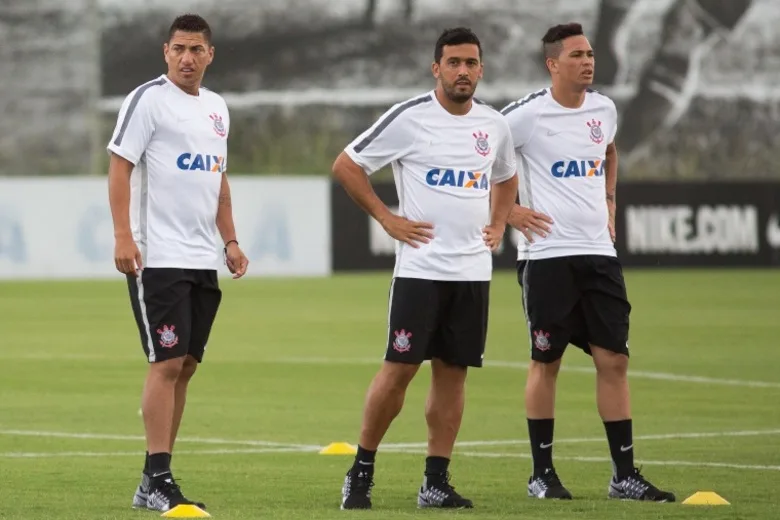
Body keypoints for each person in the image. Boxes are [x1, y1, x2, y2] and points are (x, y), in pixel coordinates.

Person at [332, 27, 518, 510]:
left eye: (471, 63)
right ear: (436, 68)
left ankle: (435, 481)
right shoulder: (410, 118)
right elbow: (347, 165)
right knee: (399, 371)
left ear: (481, 69)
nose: (463, 71)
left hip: (472, 272)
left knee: (453, 374)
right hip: (421, 271)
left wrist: (499, 222)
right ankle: (361, 471)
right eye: (453, 62)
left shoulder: (494, 125)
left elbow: (506, 175)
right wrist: (386, 218)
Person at [500, 23, 675, 502]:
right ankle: (542, 474)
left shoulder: (604, 109)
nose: (588, 61)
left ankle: (624, 476)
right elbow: (480, 164)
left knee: (614, 359)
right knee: (546, 359)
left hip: (599, 252)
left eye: (590, 53)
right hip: (547, 256)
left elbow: (610, 152)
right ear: (552, 64)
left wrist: (609, 199)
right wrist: (510, 212)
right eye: (577, 54)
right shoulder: (525, 116)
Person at [107, 13, 248, 513]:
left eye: (197, 49)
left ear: (210, 55)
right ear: (165, 51)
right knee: (165, 362)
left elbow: (219, 180)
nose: (187, 58)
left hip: (200, 257)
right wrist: (124, 235)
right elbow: (120, 166)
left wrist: (229, 240)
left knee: (185, 364)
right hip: (157, 256)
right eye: (179, 49)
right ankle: (160, 476)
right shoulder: (147, 99)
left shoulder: (216, 108)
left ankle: (153, 478)